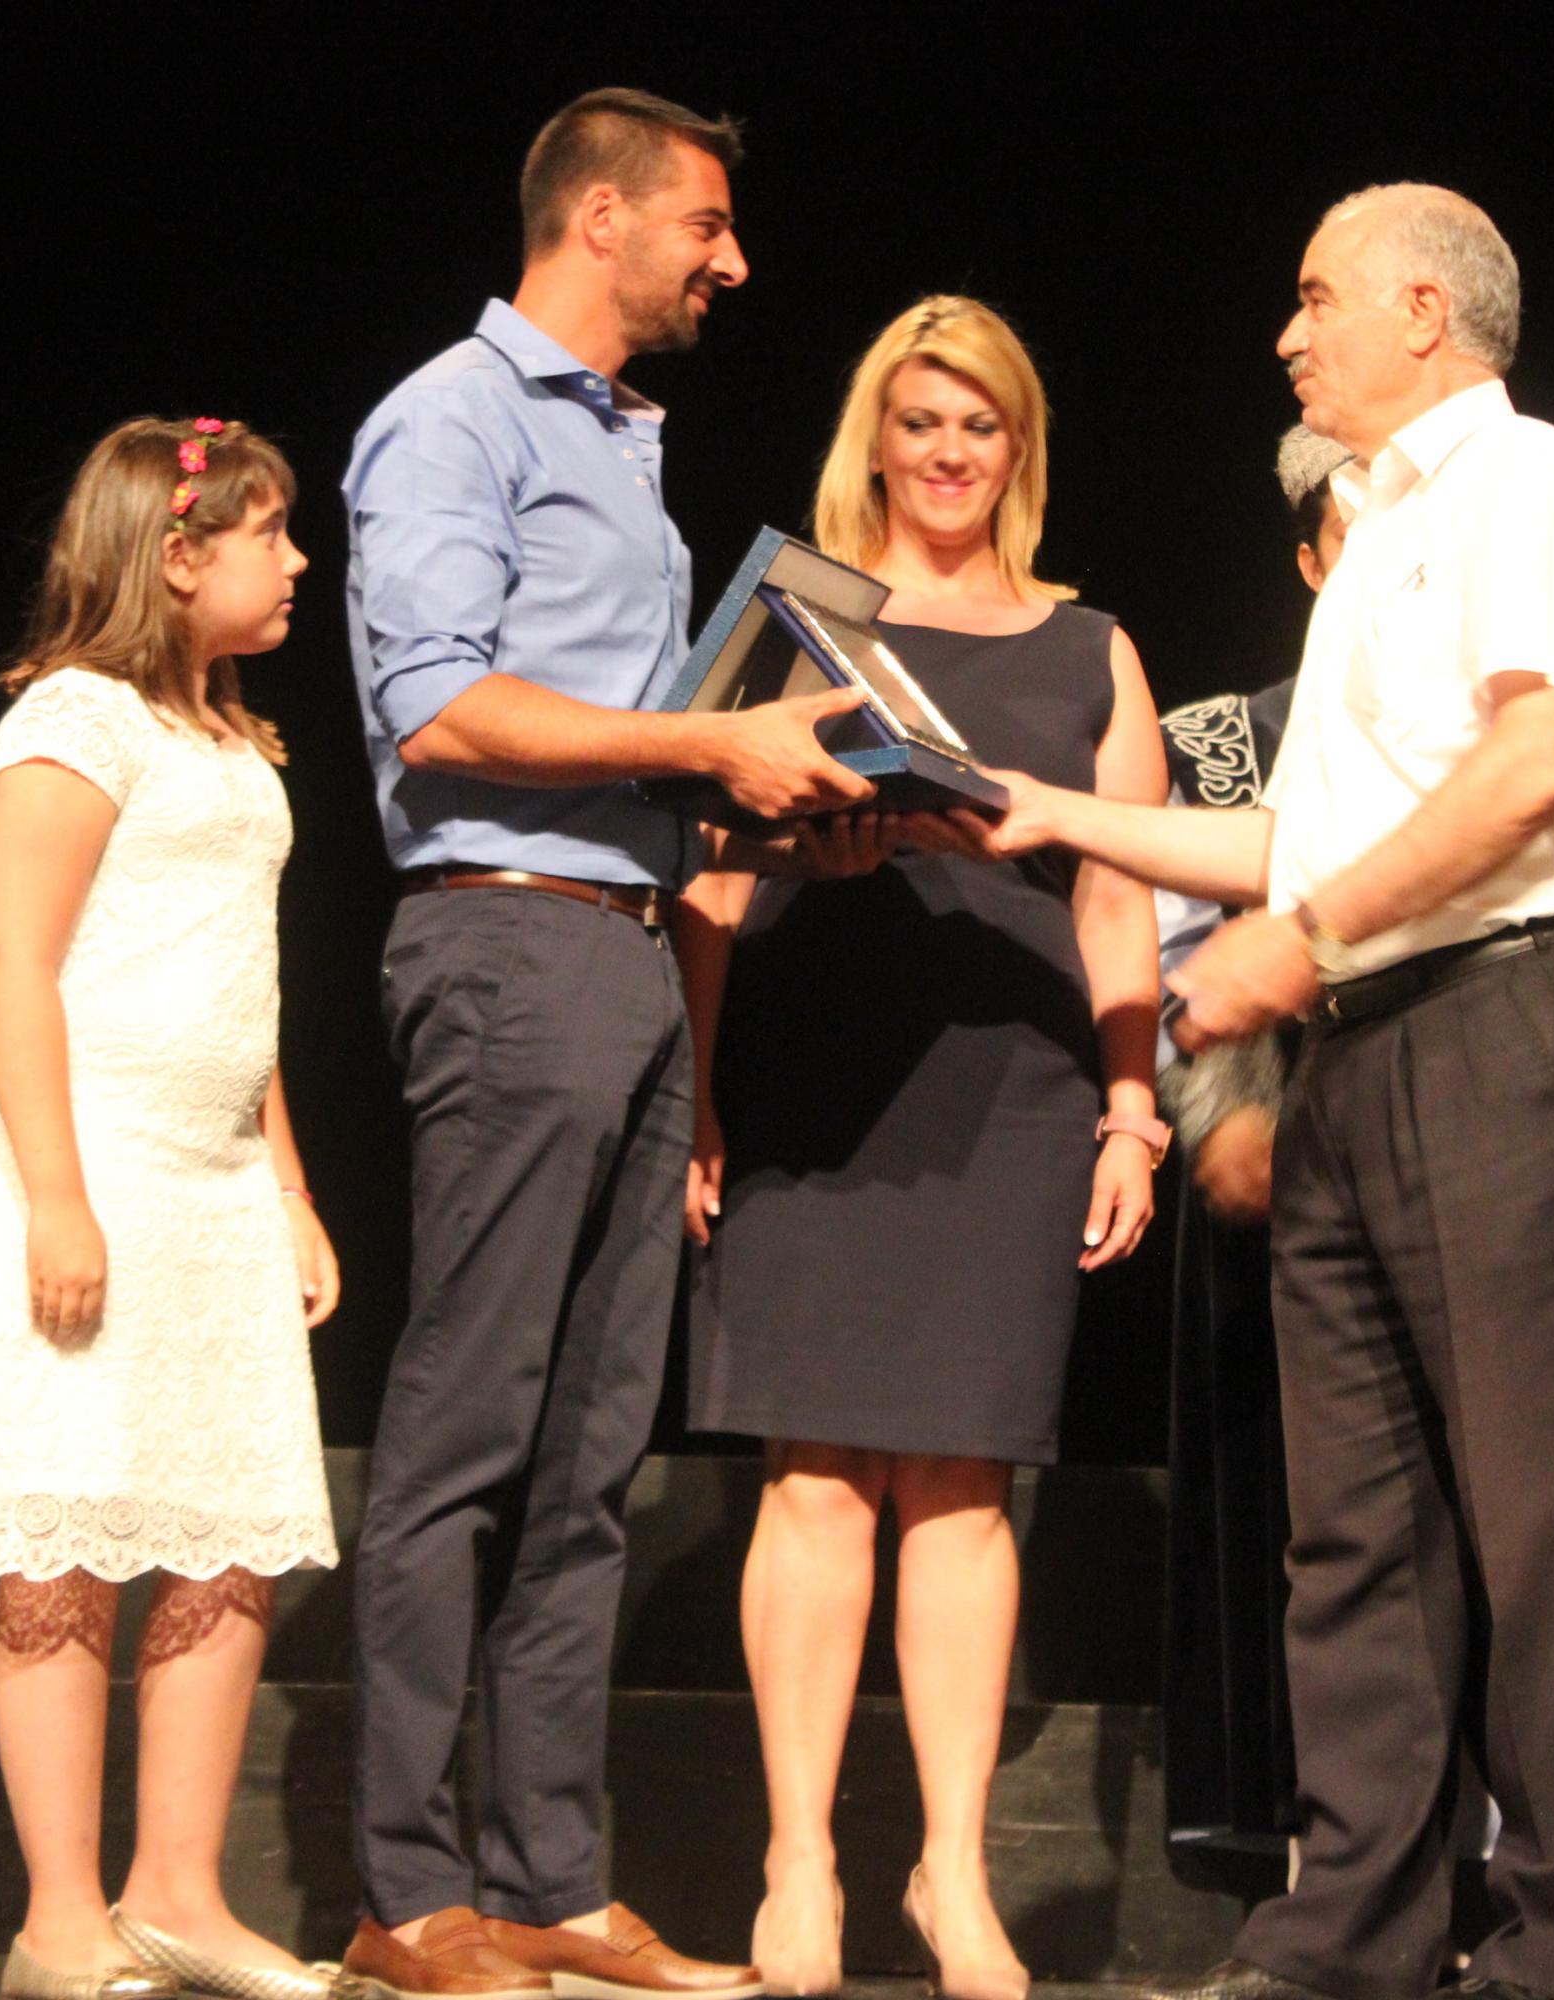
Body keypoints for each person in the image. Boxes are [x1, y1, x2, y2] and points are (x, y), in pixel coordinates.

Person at [929, 184, 1554, 2000]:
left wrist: (1309, 936)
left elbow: (1540, 760)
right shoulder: (1375, 530)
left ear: (1424, 311)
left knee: (1544, 1518)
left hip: (1506, 1025)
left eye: (1317, 297)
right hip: (1363, 1041)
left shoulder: (1532, 483)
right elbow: (1298, 837)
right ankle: (1352, 1935)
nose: (1288, 333)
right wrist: (1054, 813)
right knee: (1357, 1529)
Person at [339, 88, 867, 2000]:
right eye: (707, 224)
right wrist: (705, 743)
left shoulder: (622, 445)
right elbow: (438, 710)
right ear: (602, 216)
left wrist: (780, 795)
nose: (734, 261)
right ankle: (408, 1895)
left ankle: (548, 1881)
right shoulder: (453, 417)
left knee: (589, 1456)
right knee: (467, 1430)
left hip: (631, 953)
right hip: (507, 943)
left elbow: (629, 745)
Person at [673, 294, 1167, 2000]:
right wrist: (695, 1092)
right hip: (815, 1068)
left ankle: (952, 1875)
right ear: (873, 440)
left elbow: (1122, 894)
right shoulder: (800, 619)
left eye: (981, 425)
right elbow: (706, 873)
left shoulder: (1090, 646)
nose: (949, 453)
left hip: (1014, 1087)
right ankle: (798, 1864)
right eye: (921, 422)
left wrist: (1131, 1104)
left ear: (1019, 448)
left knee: (966, 1482)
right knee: (812, 1476)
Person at [0, 418, 345, 2000]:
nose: (297, 561)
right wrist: (56, 1200)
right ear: (175, 553)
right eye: (268, 532)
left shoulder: (229, 739)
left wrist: (287, 1184)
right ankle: (61, 1921)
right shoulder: (75, 718)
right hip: (79, 1154)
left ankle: (178, 1897)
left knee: (227, 1531)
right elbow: (9, 959)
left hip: (212, 1174)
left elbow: (242, 987)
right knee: (71, 1528)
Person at [1152, 424, 1339, 1858]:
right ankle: (1283, 1832)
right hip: (1269, 1175)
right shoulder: (1219, 744)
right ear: (1312, 561)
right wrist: (1224, 1112)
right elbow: (1167, 951)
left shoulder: (1496, 732)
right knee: (1280, 1508)